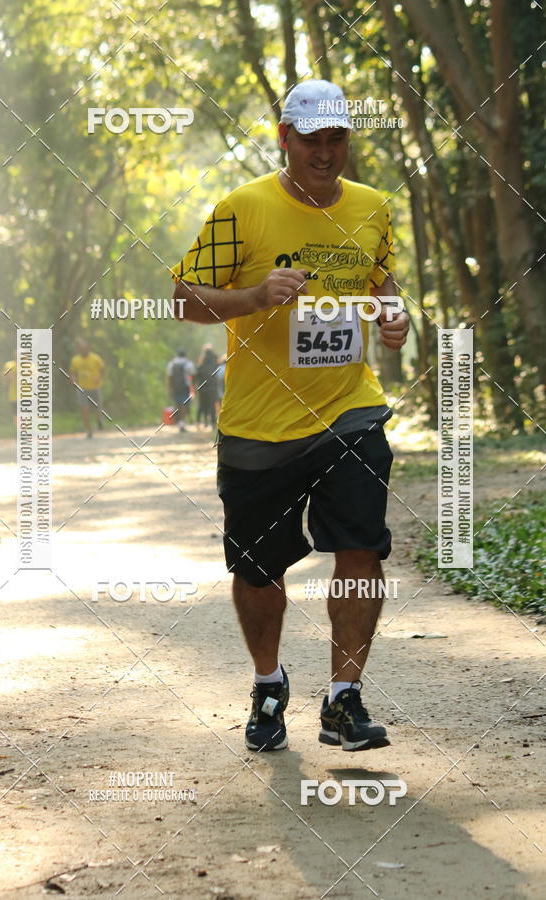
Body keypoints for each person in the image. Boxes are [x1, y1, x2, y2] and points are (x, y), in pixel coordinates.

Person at [171, 79, 409, 753]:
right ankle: (269, 682)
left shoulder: (372, 207)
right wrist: (251, 296)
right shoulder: (243, 209)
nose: (326, 154)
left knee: (361, 544)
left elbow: (380, 281)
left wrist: (394, 314)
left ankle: (344, 700)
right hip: (259, 424)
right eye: (312, 140)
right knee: (258, 570)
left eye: (337, 139)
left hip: (350, 410)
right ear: (286, 138)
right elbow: (183, 299)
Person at [69, 339, 105, 438]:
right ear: (79, 350)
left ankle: (99, 420)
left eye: (85, 348)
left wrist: (99, 377)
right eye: (81, 349)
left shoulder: (96, 358)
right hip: (82, 388)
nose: (83, 350)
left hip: (94, 387)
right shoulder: (75, 360)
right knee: (84, 410)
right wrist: (73, 379)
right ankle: (89, 430)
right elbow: (72, 372)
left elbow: (102, 369)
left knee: (97, 408)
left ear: (88, 348)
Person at [166, 349, 194, 432]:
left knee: (177, 403)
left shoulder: (171, 363)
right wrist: (193, 388)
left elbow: (168, 377)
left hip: (174, 387)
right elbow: (192, 375)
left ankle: (179, 423)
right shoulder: (188, 363)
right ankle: (182, 422)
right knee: (184, 405)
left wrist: (168, 388)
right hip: (185, 387)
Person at [195, 344, 220, 428]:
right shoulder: (215, 364)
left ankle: (199, 422)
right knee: (212, 405)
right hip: (212, 388)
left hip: (202, 388)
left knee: (202, 404)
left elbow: (196, 376)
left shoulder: (201, 364)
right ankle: (213, 423)